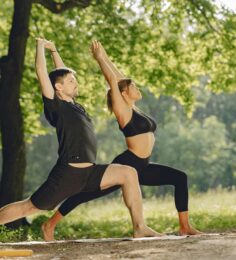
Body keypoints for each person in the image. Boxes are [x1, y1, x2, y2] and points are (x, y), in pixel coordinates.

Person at [0, 39, 162, 240]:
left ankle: (140, 227)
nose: (75, 83)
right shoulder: (56, 106)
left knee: (129, 173)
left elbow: (61, 73)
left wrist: (55, 50)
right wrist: (40, 46)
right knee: (30, 207)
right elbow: (43, 73)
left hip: (89, 172)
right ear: (58, 88)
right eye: (70, 82)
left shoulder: (74, 105)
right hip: (68, 173)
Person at [41, 40, 202, 241]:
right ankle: (50, 224)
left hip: (143, 165)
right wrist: (99, 60)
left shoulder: (134, 107)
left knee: (180, 178)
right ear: (124, 93)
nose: (136, 87)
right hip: (128, 163)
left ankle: (184, 226)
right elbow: (112, 79)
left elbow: (117, 76)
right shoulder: (122, 109)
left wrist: (104, 54)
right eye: (133, 86)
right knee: (86, 193)